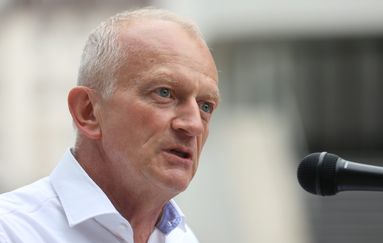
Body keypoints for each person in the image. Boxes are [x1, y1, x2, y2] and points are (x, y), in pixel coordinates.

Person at [0, 7, 219, 243]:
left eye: (205, 106)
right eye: (164, 93)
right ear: (89, 112)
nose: (194, 125)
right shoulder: (12, 231)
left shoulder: (183, 238)